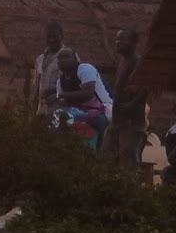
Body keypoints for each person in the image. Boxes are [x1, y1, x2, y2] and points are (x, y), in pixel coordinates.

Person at [100, 29, 148, 169]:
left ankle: (130, 188)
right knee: (105, 156)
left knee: (128, 160)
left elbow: (145, 88)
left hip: (131, 121)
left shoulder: (137, 63)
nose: (118, 43)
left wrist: (131, 105)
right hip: (117, 119)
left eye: (122, 40)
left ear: (134, 43)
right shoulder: (123, 61)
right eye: (117, 39)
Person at [51, 48, 113, 142]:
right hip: (81, 111)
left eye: (66, 57)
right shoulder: (61, 81)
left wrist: (60, 95)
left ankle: (103, 148)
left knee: (98, 120)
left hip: (104, 108)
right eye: (59, 58)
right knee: (58, 116)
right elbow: (65, 104)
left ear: (75, 58)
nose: (62, 60)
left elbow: (88, 93)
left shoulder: (84, 68)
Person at [35, 21, 64, 115]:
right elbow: (37, 87)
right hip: (41, 110)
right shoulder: (40, 59)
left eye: (55, 36)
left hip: (61, 110)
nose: (52, 40)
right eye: (49, 37)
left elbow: (74, 85)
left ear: (61, 36)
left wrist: (55, 92)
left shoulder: (70, 57)